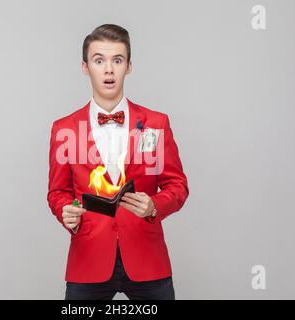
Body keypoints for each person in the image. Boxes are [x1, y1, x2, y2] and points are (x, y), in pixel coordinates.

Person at [47, 24, 189, 300]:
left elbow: (177, 185)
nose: (109, 69)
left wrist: (154, 205)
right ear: (85, 67)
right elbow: (57, 193)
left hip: (148, 261)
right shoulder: (64, 128)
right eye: (99, 60)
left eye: (117, 60)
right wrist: (67, 212)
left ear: (129, 66)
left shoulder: (156, 124)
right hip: (88, 260)